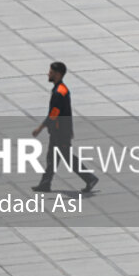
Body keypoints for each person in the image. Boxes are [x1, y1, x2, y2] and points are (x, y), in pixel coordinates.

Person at [30, 62, 100, 193]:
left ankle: (90, 178)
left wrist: (39, 129)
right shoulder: (61, 89)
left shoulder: (59, 92)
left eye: (51, 72)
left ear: (58, 74)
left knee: (67, 157)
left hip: (60, 132)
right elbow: (67, 112)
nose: (48, 74)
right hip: (60, 131)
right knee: (52, 157)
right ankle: (45, 184)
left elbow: (54, 114)